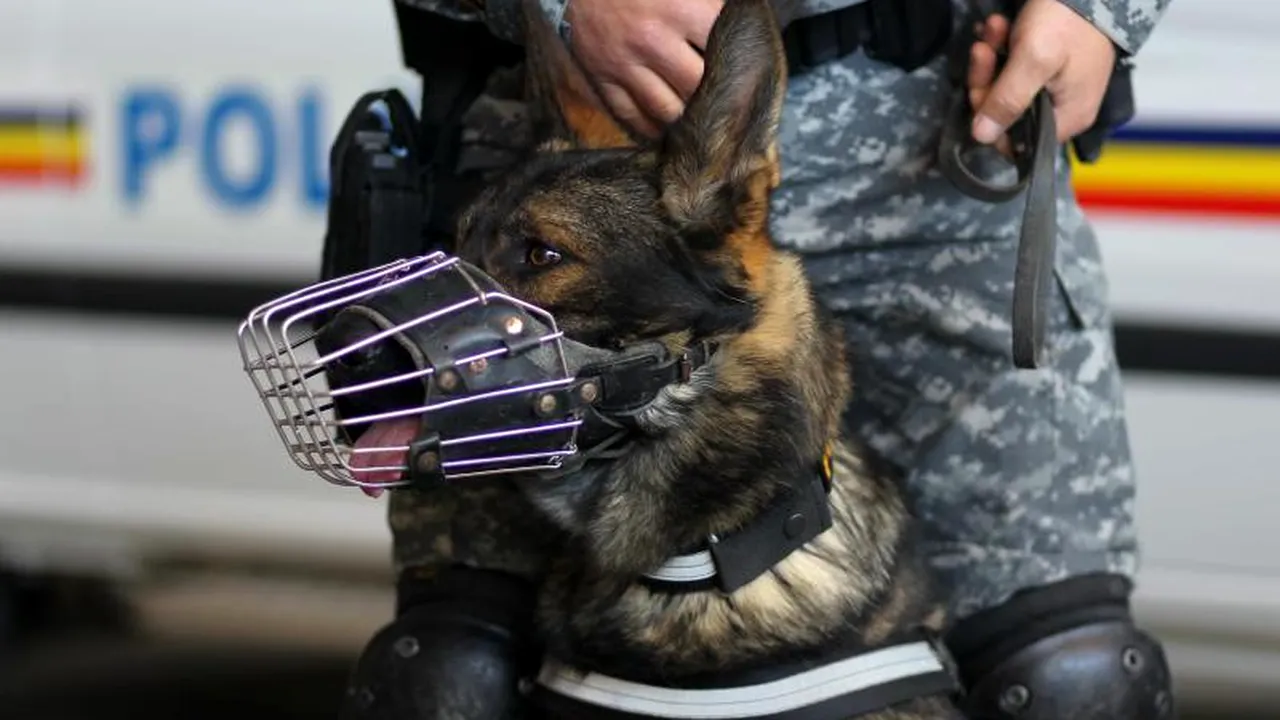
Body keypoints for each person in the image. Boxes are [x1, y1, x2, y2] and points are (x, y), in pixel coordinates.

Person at [336, 0, 1178, 718]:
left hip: (938, 156)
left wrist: (1095, 12)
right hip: (567, 142)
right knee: (447, 679)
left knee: (1077, 679)